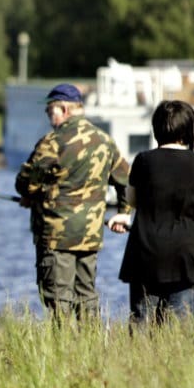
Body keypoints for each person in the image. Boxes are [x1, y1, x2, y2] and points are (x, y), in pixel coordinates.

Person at [15, 83, 131, 322]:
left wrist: (32, 195)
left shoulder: (53, 142)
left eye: (50, 110)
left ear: (64, 109)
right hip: (90, 235)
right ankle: (90, 343)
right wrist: (123, 212)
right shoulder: (104, 141)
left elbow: (24, 183)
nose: (48, 116)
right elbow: (127, 181)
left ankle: (64, 344)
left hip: (56, 237)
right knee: (87, 296)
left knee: (58, 299)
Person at [108, 99, 194, 327]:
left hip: (147, 253)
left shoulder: (143, 160)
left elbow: (132, 200)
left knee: (142, 323)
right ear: (188, 129)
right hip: (189, 257)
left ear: (156, 129)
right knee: (177, 327)